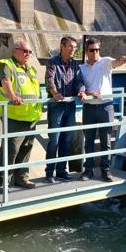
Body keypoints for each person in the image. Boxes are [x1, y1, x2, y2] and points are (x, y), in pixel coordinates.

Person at [79, 37, 126, 182]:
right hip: (89, 107)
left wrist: (123, 58)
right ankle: (88, 170)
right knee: (88, 140)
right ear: (86, 51)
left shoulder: (106, 62)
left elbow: (117, 62)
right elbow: (80, 87)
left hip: (106, 106)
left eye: (97, 49)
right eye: (92, 50)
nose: (95, 52)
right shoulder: (81, 68)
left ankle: (105, 171)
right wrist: (87, 94)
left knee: (105, 140)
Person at [0, 38, 42, 189]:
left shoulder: (31, 69)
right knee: (11, 150)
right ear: (16, 51)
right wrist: (13, 96)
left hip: (31, 116)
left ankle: (21, 177)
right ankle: (2, 181)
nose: (28, 54)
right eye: (25, 51)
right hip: (14, 115)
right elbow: (6, 81)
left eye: (30, 52)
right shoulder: (7, 64)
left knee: (26, 148)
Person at [44, 36, 85, 183]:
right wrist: (54, 92)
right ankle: (49, 173)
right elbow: (49, 80)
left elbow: (79, 81)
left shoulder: (75, 65)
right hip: (57, 106)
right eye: (70, 46)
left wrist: (81, 90)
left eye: (74, 47)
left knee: (66, 140)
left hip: (70, 106)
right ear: (62, 47)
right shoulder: (53, 62)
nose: (73, 49)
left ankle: (62, 171)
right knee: (54, 140)